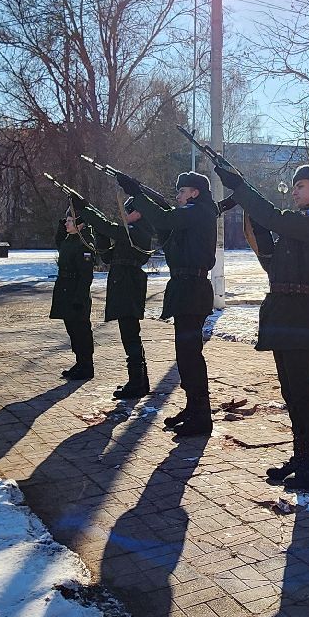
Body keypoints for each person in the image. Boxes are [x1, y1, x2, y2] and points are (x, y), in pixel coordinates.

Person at [216, 159, 309, 493]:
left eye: (300, 186)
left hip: (302, 311)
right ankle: (303, 457)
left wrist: (242, 189)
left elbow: (276, 218)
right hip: (284, 309)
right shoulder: (303, 223)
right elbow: (271, 259)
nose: (294, 192)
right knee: (291, 391)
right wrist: (252, 216)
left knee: (304, 391)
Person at [118, 168, 217, 437]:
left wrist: (136, 195)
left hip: (192, 288)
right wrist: (142, 193)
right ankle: (194, 408)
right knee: (186, 355)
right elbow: (165, 226)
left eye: (182, 191)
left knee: (190, 356)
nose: (178, 196)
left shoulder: (198, 211)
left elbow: (163, 217)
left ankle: (201, 415)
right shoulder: (193, 213)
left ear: (195, 193)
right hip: (186, 287)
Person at [70, 188, 157, 401]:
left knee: (130, 335)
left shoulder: (138, 231)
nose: (125, 214)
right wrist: (100, 234)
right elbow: (108, 257)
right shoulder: (130, 231)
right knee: (130, 334)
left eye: (129, 211)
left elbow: (109, 228)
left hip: (128, 284)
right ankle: (139, 380)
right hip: (123, 284)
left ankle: (137, 382)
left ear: (139, 213)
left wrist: (86, 209)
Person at [51, 209, 96, 380]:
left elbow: (86, 276)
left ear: (81, 225)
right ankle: (79, 363)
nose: (66, 223)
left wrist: (79, 298)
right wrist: (63, 222)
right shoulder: (69, 241)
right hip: (65, 290)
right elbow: (58, 241)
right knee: (72, 330)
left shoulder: (84, 243)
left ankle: (87, 365)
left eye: (70, 221)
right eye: (67, 221)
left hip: (77, 292)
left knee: (81, 331)